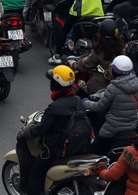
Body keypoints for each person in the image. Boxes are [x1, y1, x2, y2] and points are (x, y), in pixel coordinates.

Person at [16, 65, 90, 195]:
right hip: (79, 146)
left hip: (56, 149)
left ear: (55, 84)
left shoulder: (55, 107)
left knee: (35, 174)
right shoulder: (78, 100)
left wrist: (25, 133)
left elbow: (41, 129)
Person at [84, 55, 138, 152]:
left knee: (96, 150)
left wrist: (86, 102)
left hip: (112, 128)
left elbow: (99, 107)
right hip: (133, 126)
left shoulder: (113, 87)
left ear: (114, 71)